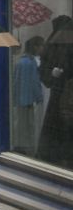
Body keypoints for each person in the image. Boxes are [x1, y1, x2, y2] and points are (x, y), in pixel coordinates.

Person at [37, 15, 73, 168]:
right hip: (61, 93)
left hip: (60, 93)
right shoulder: (56, 44)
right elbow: (45, 70)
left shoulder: (54, 43)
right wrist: (54, 73)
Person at [12, 36, 44, 155]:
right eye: (41, 46)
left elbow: (15, 82)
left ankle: (20, 147)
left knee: (20, 126)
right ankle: (28, 149)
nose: (42, 49)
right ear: (35, 47)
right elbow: (35, 82)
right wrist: (39, 97)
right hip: (29, 100)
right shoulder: (31, 63)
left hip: (19, 101)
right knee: (30, 126)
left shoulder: (20, 62)